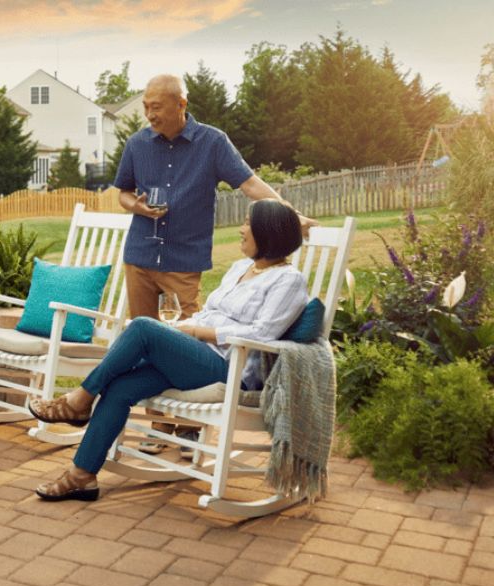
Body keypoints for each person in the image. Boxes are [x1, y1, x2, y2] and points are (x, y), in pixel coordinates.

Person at [26, 199, 308, 501]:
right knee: (121, 386)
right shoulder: (242, 268)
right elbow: (209, 311)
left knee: (143, 328)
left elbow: (263, 333)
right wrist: (182, 329)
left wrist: (197, 331)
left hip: (230, 367)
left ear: (267, 232)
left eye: (247, 225)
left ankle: (79, 400)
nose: (241, 230)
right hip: (197, 356)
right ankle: (82, 476)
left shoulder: (289, 280)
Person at [115, 74, 312, 454]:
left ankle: (189, 428)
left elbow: (250, 184)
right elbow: (122, 192)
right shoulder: (137, 144)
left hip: (184, 258)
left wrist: (292, 214)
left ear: (180, 104)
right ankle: (161, 428)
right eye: (145, 107)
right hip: (139, 254)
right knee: (144, 343)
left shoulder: (212, 142)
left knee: (190, 342)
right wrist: (136, 206)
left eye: (156, 107)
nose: (149, 114)